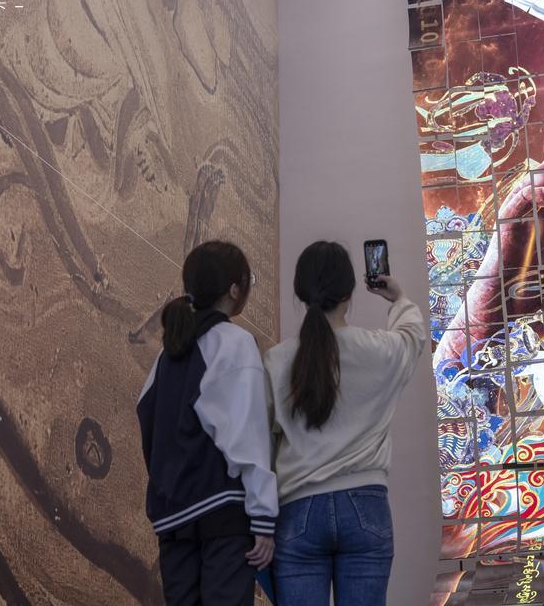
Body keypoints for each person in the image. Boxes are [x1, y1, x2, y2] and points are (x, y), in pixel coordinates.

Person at [264, 241, 427, 605]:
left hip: (298, 509)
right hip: (366, 505)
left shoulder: (276, 361)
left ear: (300, 292)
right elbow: (413, 336)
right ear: (349, 292)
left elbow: (263, 443)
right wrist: (398, 299)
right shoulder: (379, 350)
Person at [137, 241, 277, 605]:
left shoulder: (165, 357)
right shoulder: (235, 344)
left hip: (172, 516)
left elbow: (148, 423)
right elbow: (246, 434)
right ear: (235, 289)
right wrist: (263, 517)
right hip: (222, 513)